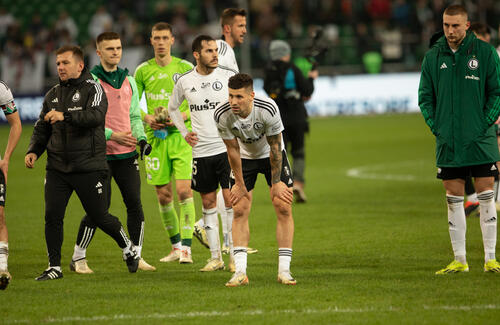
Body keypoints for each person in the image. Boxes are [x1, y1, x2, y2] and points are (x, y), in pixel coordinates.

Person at [25, 45, 140, 281]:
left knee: (99, 215)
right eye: (57, 63)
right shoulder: (53, 94)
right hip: (58, 167)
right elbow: (42, 127)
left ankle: (127, 246)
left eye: (65, 63)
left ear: (79, 65)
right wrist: (34, 151)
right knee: (52, 216)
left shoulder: (94, 89)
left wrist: (65, 116)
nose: (60, 67)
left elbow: (96, 117)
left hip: (89, 165)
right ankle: (54, 267)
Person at [418, 4, 500, 274]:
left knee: (487, 194)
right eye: (445, 25)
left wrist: (484, 123)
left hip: (480, 138)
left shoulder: (485, 53)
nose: (450, 31)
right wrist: (437, 127)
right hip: (448, 140)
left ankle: (490, 259)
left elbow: (496, 93)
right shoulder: (433, 57)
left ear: (467, 25)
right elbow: (425, 98)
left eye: (455, 25)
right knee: (453, 197)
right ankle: (460, 260)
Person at [70, 32, 155, 274]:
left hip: (127, 154)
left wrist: (141, 138)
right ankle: (78, 257)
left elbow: (135, 116)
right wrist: (112, 135)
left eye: (118, 47)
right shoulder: (90, 82)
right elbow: (88, 120)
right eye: (109, 49)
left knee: (135, 204)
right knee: (99, 209)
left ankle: (136, 256)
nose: (115, 52)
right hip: (99, 154)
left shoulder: (128, 80)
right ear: (98, 53)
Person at [215, 73, 296, 286]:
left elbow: (276, 146)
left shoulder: (267, 108)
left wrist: (277, 181)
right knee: (239, 208)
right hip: (244, 158)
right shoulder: (222, 114)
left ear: (251, 95)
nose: (233, 101)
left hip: (271, 156)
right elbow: (231, 148)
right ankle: (240, 272)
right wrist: (240, 184)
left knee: (283, 206)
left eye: (239, 97)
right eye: (231, 96)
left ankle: (284, 271)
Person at [193, 8, 258, 256]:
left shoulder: (227, 51)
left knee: (231, 187)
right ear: (227, 28)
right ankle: (211, 231)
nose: (245, 30)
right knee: (231, 186)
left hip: (224, 128)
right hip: (217, 132)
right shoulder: (221, 48)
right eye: (241, 25)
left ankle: (233, 243)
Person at [168, 35, 236, 272]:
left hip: (226, 149)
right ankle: (215, 257)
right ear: (196, 54)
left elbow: (242, 102)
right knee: (207, 203)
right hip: (202, 152)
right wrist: (184, 132)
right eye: (208, 50)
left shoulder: (227, 76)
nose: (214, 54)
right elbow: (172, 108)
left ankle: (233, 255)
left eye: (215, 50)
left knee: (230, 201)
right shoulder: (186, 81)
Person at [134, 22, 197, 264]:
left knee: (183, 191)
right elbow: (133, 104)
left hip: (181, 138)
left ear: (172, 40)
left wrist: (181, 116)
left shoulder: (185, 68)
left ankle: (187, 251)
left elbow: (197, 100)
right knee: (163, 196)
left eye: (164, 38)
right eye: (156, 38)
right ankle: (175, 246)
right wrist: (146, 117)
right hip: (155, 140)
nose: (160, 42)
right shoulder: (142, 71)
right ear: (151, 41)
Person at [264, 40, 317, 203]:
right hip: (297, 116)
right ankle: (299, 184)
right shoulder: (293, 68)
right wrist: (312, 78)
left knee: (279, 152)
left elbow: (268, 89)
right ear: (285, 53)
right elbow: (307, 90)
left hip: (278, 118)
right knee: (299, 151)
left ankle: (281, 186)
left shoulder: (269, 70)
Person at [463, 22, 495, 217]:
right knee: (463, 160)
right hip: (471, 119)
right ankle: (474, 197)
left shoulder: (491, 56)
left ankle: (486, 198)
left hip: (488, 116)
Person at [0, 81, 22, 290]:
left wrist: (6, 159)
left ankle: (2, 269)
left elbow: (16, 123)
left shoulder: (1, 89)